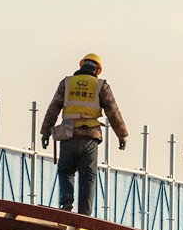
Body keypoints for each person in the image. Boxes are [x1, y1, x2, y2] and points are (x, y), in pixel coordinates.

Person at [40, 53, 128, 215]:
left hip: (68, 136)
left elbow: (53, 109)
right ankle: (85, 215)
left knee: (66, 171)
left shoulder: (67, 83)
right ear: (98, 70)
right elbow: (113, 112)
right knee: (88, 177)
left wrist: (45, 132)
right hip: (90, 138)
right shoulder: (101, 86)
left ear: (81, 66)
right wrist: (122, 135)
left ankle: (67, 200)